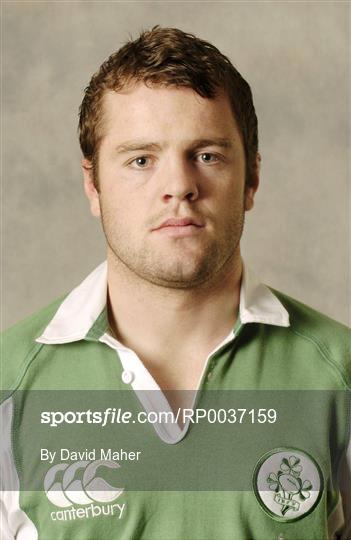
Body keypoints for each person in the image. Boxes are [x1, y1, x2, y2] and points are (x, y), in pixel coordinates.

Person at [1, 26, 350, 540]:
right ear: (92, 184)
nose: (179, 187)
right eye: (141, 160)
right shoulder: (9, 385)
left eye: (207, 155)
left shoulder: (340, 375)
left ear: (251, 178)